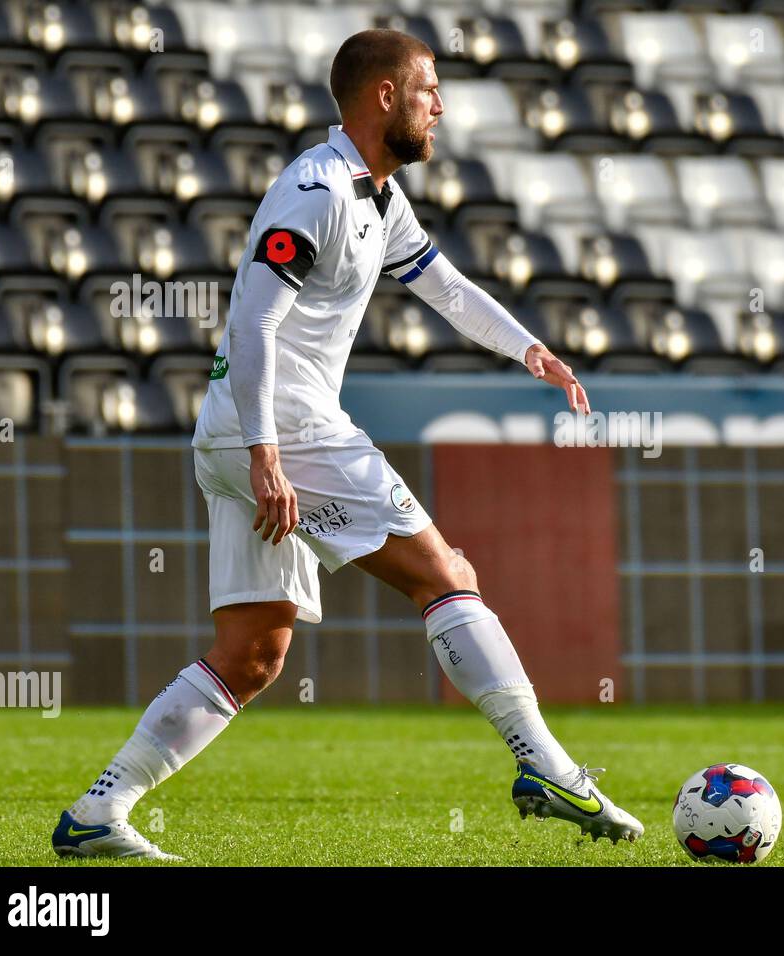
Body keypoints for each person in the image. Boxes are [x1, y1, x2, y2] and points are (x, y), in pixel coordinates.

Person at [52, 29, 643, 859]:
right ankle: (544, 766)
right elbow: (255, 320)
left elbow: (441, 285)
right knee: (446, 574)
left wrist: (528, 351)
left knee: (253, 652)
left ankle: (97, 814)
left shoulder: (377, 195)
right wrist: (266, 454)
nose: (442, 106)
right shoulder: (318, 189)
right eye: (429, 89)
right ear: (385, 97)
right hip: (283, 427)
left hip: (248, 429)